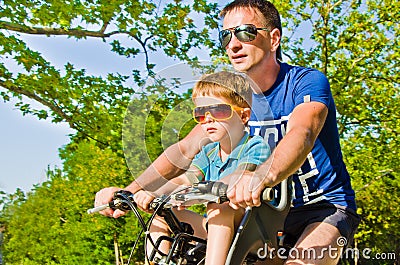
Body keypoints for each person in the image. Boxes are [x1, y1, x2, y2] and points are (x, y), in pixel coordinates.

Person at [95, 1, 360, 264]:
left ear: (274, 39)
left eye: (245, 32)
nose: (233, 44)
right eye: (226, 35)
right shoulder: (232, 99)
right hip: (259, 215)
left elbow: (302, 133)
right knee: (163, 219)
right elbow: (185, 149)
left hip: (322, 210)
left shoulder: (305, 83)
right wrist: (128, 191)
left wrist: (261, 175)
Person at [135, 71, 271, 265]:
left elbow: (237, 178)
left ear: (243, 115)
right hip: (214, 228)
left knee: (220, 207)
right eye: (201, 114)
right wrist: (157, 193)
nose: (208, 119)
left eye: (218, 110)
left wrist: (194, 195)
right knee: (160, 213)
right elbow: (185, 179)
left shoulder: (255, 146)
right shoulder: (208, 152)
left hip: (251, 233)